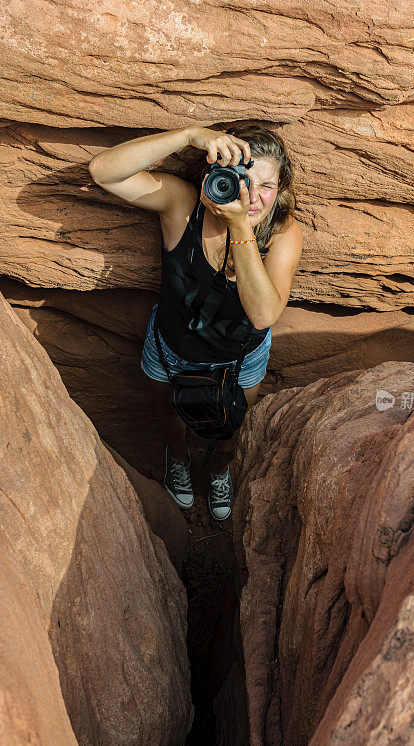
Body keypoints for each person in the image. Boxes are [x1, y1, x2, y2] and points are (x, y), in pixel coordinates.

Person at [88, 125, 303, 520]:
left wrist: (240, 226)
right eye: (241, 178)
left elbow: (264, 314)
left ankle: (220, 467)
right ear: (214, 176)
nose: (252, 196)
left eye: (267, 185)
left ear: (281, 189)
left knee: (231, 425)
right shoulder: (183, 205)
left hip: (240, 357)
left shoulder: (284, 233)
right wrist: (188, 135)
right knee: (168, 413)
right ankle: (180, 460)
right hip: (171, 346)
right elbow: (103, 171)